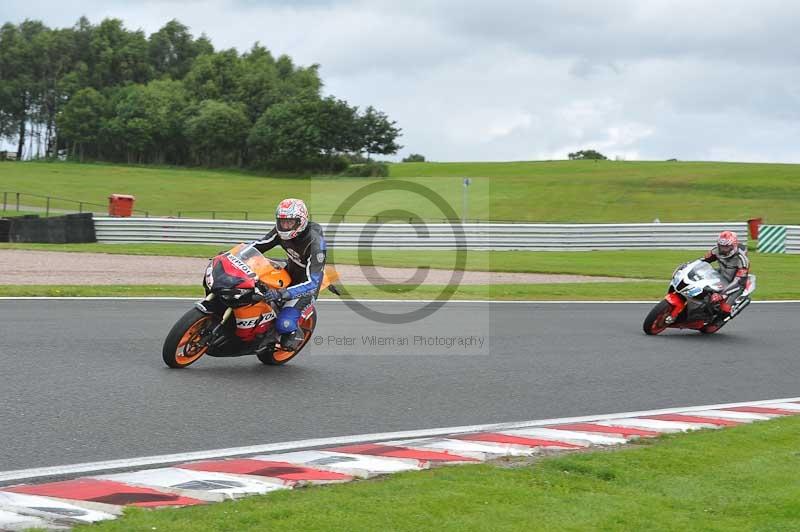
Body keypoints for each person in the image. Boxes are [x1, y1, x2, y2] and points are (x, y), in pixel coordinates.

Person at [253, 198, 327, 350]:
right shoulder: (279, 232)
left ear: (301, 221)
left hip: (307, 285)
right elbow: (258, 245)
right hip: (289, 270)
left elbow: (312, 283)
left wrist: (283, 293)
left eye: (290, 222)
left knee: (284, 324)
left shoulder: (315, 243)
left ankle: (293, 334)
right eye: (282, 222)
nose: (285, 226)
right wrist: (233, 254)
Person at [700, 230, 750, 328]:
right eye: (721, 246)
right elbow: (703, 261)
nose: (723, 249)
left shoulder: (742, 260)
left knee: (725, 308)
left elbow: (739, 281)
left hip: (736, 282)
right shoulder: (716, 251)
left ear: (733, 246)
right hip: (721, 275)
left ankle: (720, 320)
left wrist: (722, 295)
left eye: (726, 246)